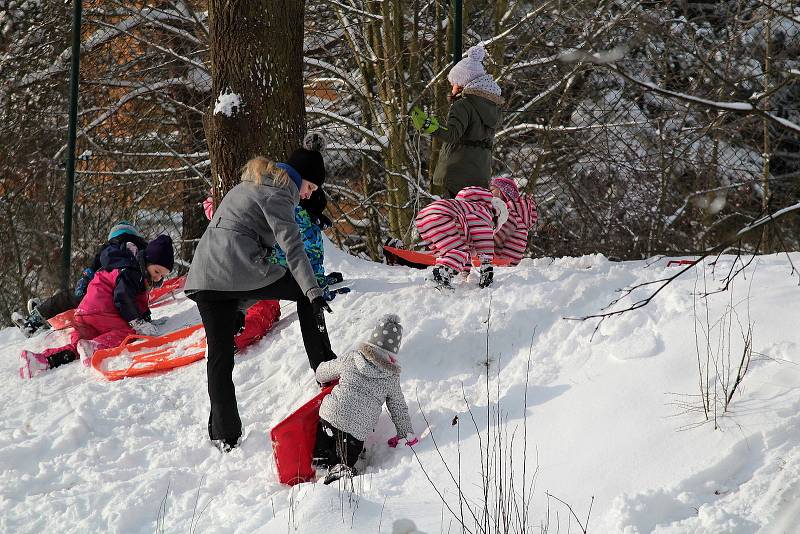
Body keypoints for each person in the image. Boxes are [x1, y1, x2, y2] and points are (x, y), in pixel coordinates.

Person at [184, 140, 336, 452]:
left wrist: (237, 308)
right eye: (309, 186)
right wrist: (313, 290)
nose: (309, 194)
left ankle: (225, 434)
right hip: (230, 269)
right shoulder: (281, 191)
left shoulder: (251, 183)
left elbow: (233, 243)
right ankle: (326, 370)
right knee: (307, 295)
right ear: (298, 178)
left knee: (220, 356)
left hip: (205, 277)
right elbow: (292, 247)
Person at [19, 235, 174, 379]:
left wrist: (145, 317)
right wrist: (138, 322)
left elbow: (137, 302)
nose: (158, 277)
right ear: (145, 261)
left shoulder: (123, 267)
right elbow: (123, 298)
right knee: (129, 332)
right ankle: (94, 347)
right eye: (156, 271)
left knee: (79, 345)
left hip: (85, 312)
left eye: (162, 275)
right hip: (103, 311)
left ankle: (42, 360)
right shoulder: (133, 272)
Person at [313, 314, 416, 484]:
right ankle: (340, 472)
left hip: (330, 415)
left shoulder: (353, 358)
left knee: (323, 453)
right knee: (345, 460)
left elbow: (322, 373)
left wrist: (320, 373)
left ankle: (319, 468)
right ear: (393, 353)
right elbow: (398, 408)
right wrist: (406, 434)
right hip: (356, 431)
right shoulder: (390, 377)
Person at [12, 221, 148, 337]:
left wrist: (84, 280)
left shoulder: (109, 249)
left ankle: (36, 319)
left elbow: (92, 269)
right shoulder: (141, 251)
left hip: (102, 297)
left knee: (69, 297)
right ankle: (43, 314)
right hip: (121, 299)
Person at [410, 43, 504, 197]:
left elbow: (453, 134)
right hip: (481, 173)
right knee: (472, 216)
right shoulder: (492, 105)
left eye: (453, 83)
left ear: (461, 84)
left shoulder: (463, 104)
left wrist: (428, 125)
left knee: (451, 217)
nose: (451, 87)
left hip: (458, 173)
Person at [414, 186, 508, 289]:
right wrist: (487, 265)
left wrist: (465, 272)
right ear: (495, 217)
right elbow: (483, 239)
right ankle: (439, 276)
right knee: (457, 251)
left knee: (450, 251)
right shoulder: (483, 213)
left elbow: (466, 246)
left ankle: (442, 273)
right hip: (442, 214)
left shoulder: (467, 208)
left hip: (424, 217)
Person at [270, 188, 344, 301]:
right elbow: (314, 262)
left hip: (263, 276)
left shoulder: (282, 214)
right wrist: (322, 290)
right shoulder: (310, 229)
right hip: (282, 284)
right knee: (261, 313)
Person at [490, 176, 539, 266]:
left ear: (502, 193)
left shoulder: (509, 214)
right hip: (507, 262)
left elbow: (495, 239)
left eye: (491, 190)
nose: (488, 194)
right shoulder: (516, 214)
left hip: (501, 263)